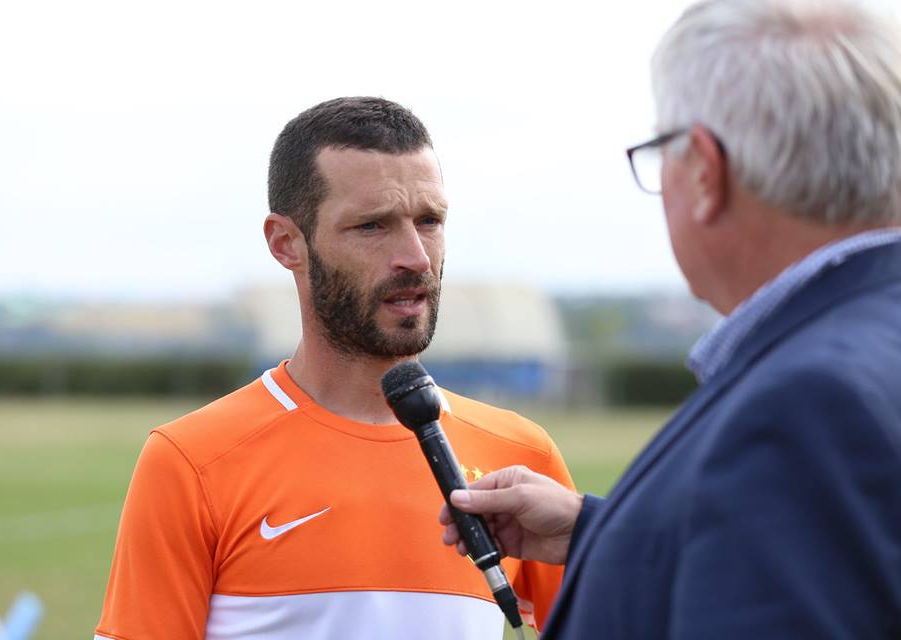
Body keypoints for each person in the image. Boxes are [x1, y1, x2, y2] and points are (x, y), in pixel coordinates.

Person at [440, 0, 901, 637]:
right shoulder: (868, 350)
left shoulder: (808, 405)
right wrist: (600, 532)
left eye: (661, 154)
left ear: (706, 173)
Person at [94, 97, 574, 640]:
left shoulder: (522, 457)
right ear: (285, 243)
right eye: (372, 226)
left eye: (429, 221)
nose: (415, 256)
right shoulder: (191, 463)